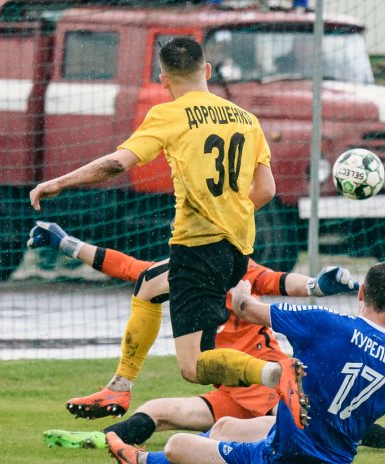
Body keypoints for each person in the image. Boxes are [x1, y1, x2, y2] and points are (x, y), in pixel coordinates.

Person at [29, 36, 309, 428]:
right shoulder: (246, 119)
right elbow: (266, 190)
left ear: (163, 79)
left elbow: (117, 164)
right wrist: (229, 214)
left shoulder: (168, 114)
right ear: (206, 70)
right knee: (148, 283)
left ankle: (274, 373)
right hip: (235, 250)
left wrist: (59, 182)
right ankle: (119, 386)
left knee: (192, 368)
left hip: (198, 247)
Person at [32, 228, 385, 463]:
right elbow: (127, 267)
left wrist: (318, 284)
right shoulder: (183, 274)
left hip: (268, 382)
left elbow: (281, 282)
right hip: (230, 389)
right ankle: (103, 438)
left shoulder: (243, 270)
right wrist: (65, 243)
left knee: (315, 421)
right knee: (158, 410)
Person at [108, 261, 385, 464]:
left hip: (282, 462)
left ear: (361, 292)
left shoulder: (325, 323)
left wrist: (242, 286)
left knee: (177, 445)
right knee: (225, 426)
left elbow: (246, 309)